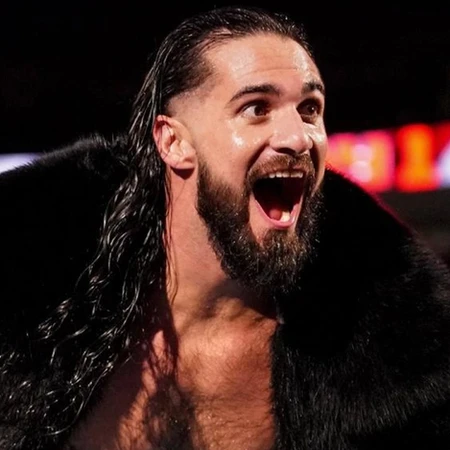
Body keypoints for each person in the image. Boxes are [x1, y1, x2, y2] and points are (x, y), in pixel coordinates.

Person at [1, 5, 450, 450]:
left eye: (310, 109)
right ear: (173, 142)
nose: (298, 137)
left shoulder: (399, 363)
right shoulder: (31, 310)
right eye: (257, 108)